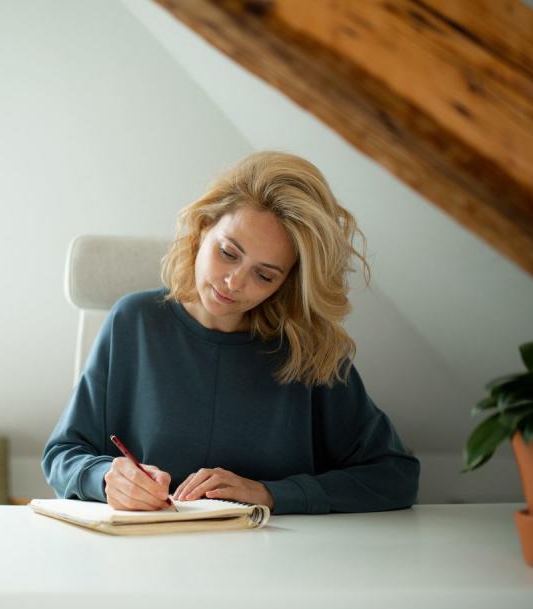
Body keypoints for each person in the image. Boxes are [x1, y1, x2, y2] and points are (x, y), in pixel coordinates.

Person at [42, 150, 419, 516]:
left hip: (280, 566)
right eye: (229, 252)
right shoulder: (133, 322)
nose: (234, 282)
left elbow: (395, 475)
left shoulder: (309, 350)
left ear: (287, 282)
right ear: (204, 226)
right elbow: (62, 454)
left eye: (264, 274)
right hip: (148, 562)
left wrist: (271, 494)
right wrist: (106, 478)